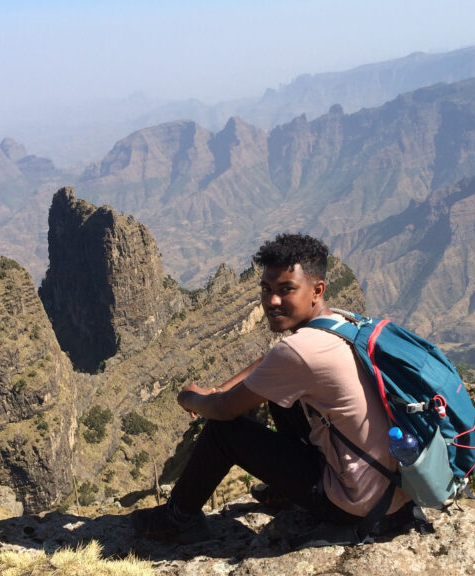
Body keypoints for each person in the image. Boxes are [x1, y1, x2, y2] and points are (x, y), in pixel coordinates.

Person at [131, 232, 410, 544]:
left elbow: (224, 410)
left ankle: (178, 518)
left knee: (224, 432)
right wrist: (221, 387)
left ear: (317, 290)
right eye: (266, 289)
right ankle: (284, 492)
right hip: (391, 488)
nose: (272, 301)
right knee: (279, 397)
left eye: (286, 289)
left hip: (355, 503)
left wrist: (190, 397)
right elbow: (272, 364)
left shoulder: (299, 352)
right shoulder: (344, 322)